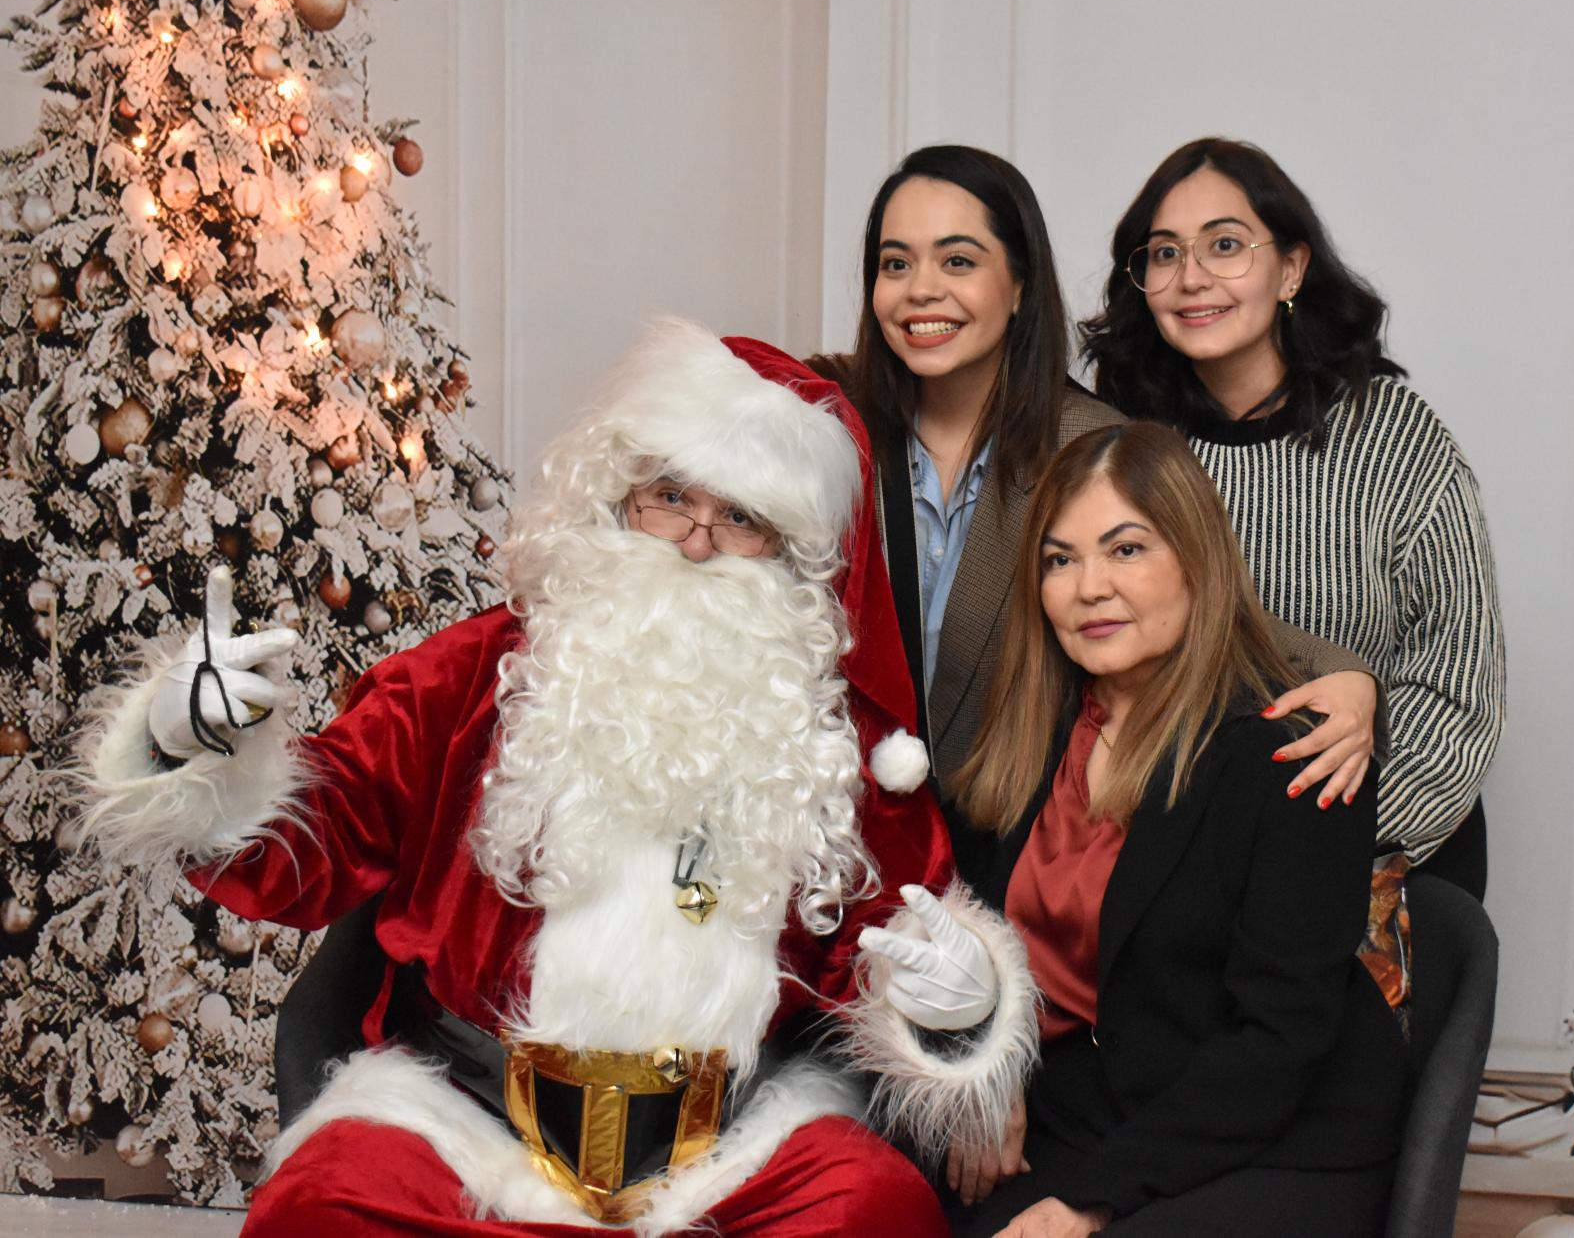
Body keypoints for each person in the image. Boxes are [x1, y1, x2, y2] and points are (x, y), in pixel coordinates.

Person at [76, 320, 1039, 1237]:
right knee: (323, 1209)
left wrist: (959, 1009)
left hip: (730, 1146)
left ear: (792, 551)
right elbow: (317, 836)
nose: (696, 542)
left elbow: (897, 940)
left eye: (742, 517)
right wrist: (198, 752)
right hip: (471, 1121)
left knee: (871, 1210)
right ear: (617, 499)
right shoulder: (473, 676)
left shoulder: (833, 737)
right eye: (670, 496)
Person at [816, 144, 1383, 813]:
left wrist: (1349, 677)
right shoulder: (822, 421)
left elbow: (1212, 610)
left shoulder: (1086, 442)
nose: (921, 289)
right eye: (896, 263)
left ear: (1020, 284)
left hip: (997, 837)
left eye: (958, 260)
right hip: (827, 825)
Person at [941, 422, 1407, 1237]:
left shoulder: (1292, 751)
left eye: (1125, 549)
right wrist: (987, 1072)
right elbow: (971, 936)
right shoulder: (1033, 735)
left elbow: (1280, 1040)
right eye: (1060, 560)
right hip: (1087, 1114)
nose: (1090, 587)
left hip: (1270, 1136)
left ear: (1196, 558)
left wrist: (1092, 1199)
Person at [1082, 137, 1506, 900]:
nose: (1192, 277)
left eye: (1225, 245)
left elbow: (1458, 685)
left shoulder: (1395, 437)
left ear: (1291, 269)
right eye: (1166, 253)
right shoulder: (1120, 449)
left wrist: (1310, 851)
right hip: (1174, 877)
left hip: (1375, 861)